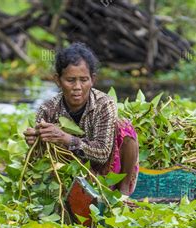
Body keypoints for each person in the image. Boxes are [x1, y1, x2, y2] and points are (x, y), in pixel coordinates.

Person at [24, 42, 139, 196]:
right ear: (58, 80)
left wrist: (66, 138)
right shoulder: (48, 109)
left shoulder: (104, 104)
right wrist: (35, 141)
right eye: (70, 80)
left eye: (83, 80)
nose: (77, 87)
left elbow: (103, 153)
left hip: (105, 170)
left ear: (92, 80)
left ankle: (123, 193)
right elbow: (40, 159)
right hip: (70, 171)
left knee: (124, 128)